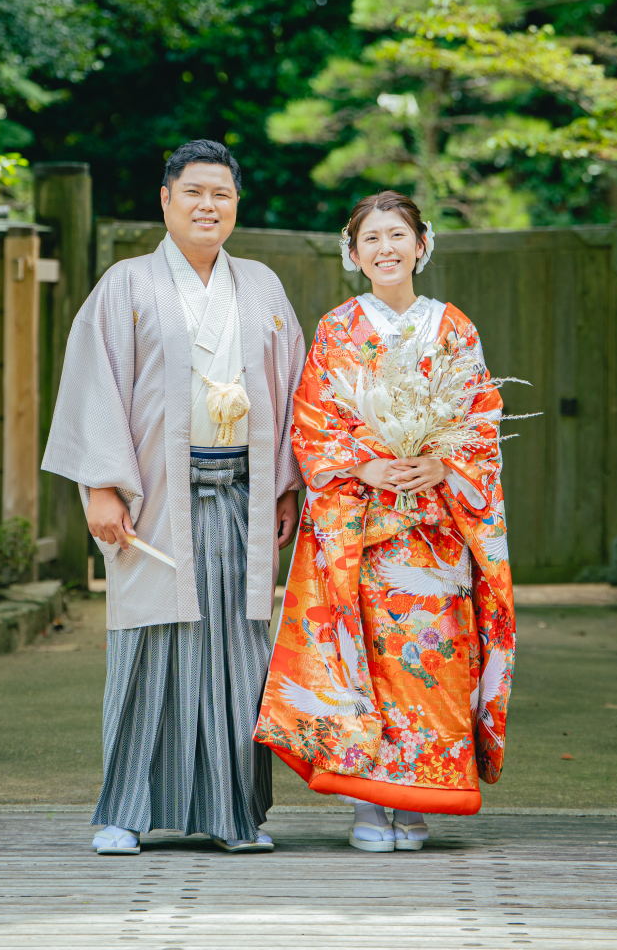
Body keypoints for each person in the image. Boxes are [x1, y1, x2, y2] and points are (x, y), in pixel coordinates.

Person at [42, 139, 305, 854]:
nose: (207, 205)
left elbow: (291, 393)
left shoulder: (261, 287)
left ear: (236, 203)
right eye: (193, 192)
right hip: (157, 494)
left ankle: (234, 815)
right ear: (166, 200)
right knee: (149, 644)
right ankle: (124, 812)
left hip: (243, 492)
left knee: (238, 650)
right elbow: (97, 387)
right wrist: (100, 487)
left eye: (221, 193)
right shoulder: (126, 285)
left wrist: (287, 486)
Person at [255, 191, 515, 851]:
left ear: (422, 245)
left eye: (398, 235)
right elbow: (312, 424)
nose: (386, 249)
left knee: (429, 658)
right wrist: (363, 469)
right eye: (371, 238)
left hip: (433, 530)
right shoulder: (337, 329)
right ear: (353, 252)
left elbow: (480, 421)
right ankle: (370, 806)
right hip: (365, 527)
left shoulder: (453, 328)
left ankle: (418, 798)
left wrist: (444, 462)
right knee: (367, 658)